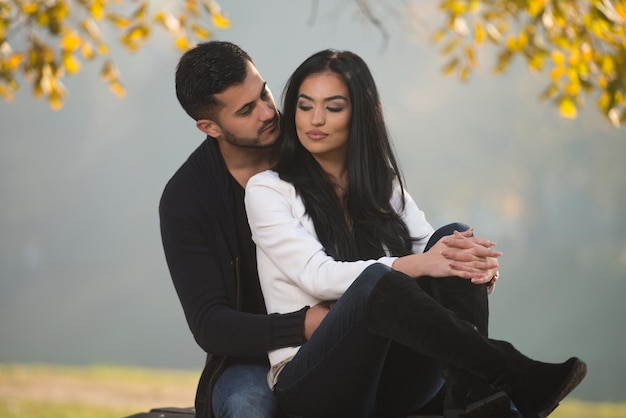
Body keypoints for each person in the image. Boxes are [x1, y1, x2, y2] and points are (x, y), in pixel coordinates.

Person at [160, 40, 504, 418]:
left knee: (453, 237)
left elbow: (413, 241)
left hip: (366, 330)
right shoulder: (188, 200)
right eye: (245, 110)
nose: (267, 112)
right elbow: (211, 325)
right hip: (261, 356)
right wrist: (304, 324)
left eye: (264, 93)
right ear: (210, 127)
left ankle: (477, 389)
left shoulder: (316, 144)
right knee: (248, 408)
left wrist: (464, 264)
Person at [244, 49, 587, 418]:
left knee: (453, 236)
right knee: (381, 278)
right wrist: (420, 263)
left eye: (333, 107)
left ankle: (470, 388)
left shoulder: (383, 186)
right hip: (312, 383)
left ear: (359, 114)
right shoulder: (268, 190)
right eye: (305, 105)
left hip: (394, 379)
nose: (316, 120)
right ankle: (510, 373)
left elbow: (435, 253)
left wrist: (480, 268)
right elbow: (316, 276)